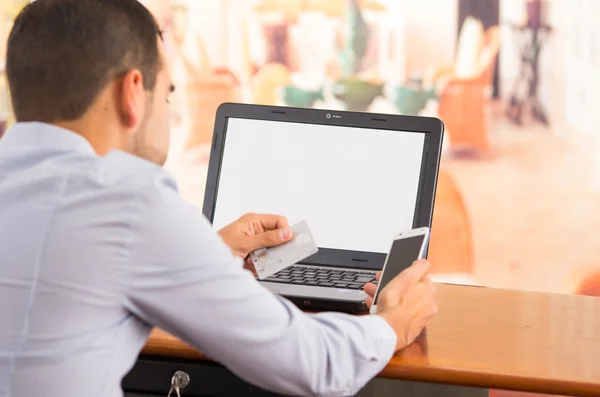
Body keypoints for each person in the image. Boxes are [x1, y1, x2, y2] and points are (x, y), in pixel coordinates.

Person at [0, 1, 437, 396]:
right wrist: (392, 325)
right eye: (167, 93)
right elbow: (314, 364)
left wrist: (214, 251)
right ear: (133, 92)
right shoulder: (128, 202)